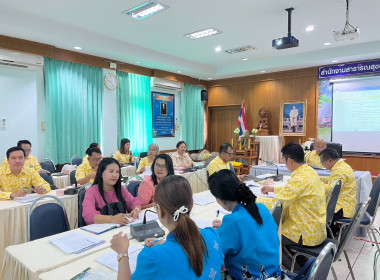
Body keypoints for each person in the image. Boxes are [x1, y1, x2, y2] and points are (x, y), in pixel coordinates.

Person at [110, 175, 224, 279]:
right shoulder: (212, 234)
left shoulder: (151, 257)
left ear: (159, 209)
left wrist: (122, 253)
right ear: (191, 204)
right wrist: (165, 244)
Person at [209, 169, 281, 280]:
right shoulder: (262, 208)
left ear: (220, 199)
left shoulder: (232, 222)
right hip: (275, 274)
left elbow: (215, 251)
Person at [261, 143, 327, 247]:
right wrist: (273, 189)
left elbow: (277, 204)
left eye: (283, 160)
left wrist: (254, 199)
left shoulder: (299, 179)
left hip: (304, 233)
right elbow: (295, 191)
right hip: (316, 229)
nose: (284, 162)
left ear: (290, 161)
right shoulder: (309, 171)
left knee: (267, 238)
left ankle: (295, 263)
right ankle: (300, 262)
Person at [82, 158, 141, 225]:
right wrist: (112, 219)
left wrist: (136, 209)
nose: (115, 175)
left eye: (117, 172)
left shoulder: (121, 189)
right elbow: (88, 216)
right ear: (101, 173)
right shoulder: (92, 191)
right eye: (111, 171)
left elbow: (134, 202)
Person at [319, 148, 357, 233]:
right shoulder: (341, 166)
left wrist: (315, 183)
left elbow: (331, 190)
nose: (322, 165)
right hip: (346, 205)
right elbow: (332, 180)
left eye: (322, 162)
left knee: (316, 212)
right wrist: (318, 178)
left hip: (341, 209)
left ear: (329, 160)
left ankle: (325, 238)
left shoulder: (340, 170)